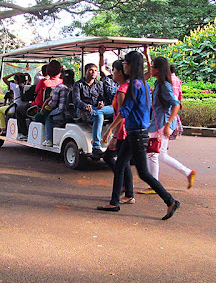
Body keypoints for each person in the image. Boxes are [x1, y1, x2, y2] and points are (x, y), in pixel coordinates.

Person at [97, 51, 180, 220]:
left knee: (143, 173)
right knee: (120, 164)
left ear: (131, 64)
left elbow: (125, 110)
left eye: (125, 63)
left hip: (136, 134)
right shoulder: (141, 83)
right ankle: (114, 202)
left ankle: (170, 200)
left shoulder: (136, 84)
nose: (123, 66)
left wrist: (109, 130)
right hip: (136, 133)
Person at [139, 56, 196, 194]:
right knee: (160, 154)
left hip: (162, 122)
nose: (150, 69)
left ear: (158, 69)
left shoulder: (164, 84)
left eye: (152, 67)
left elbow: (176, 104)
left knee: (153, 154)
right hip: (159, 122)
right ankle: (187, 173)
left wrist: (168, 124)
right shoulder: (159, 83)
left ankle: (153, 185)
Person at [101, 60, 134, 203]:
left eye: (113, 70)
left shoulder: (122, 90)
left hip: (122, 131)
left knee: (115, 160)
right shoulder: (126, 87)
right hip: (124, 130)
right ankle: (127, 190)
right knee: (122, 162)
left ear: (120, 72)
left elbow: (122, 115)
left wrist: (113, 134)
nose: (112, 72)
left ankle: (127, 192)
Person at [72, 63, 114, 156]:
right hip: (83, 110)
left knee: (115, 109)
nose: (93, 72)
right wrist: (85, 105)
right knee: (98, 116)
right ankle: (96, 147)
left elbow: (102, 98)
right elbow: (76, 100)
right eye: (91, 70)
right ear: (85, 72)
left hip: (96, 109)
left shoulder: (99, 84)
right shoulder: (78, 85)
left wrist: (101, 103)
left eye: (95, 70)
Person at [16, 61, 62, 140]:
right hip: (54, 107)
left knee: (19, 109)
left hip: (37, 108)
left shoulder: (44, 82)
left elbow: (36, 91)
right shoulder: (62, 82)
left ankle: (23, 134)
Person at [42, 69, 75, 147]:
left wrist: (45, 108)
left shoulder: (60, 87)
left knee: (48, 117)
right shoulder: (75, 87)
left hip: (62, 113)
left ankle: (48, 140)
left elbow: (53, 104)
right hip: (74, 114)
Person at [0, 72, 31, 136]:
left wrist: (13, 74)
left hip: (15, 108)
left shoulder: (15, 86)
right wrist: (28, 75)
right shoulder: (28, 85)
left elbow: (4, 79)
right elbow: (30, 80)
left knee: (0, 110)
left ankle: (3, 129)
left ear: (16, 80)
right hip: (26, 107)